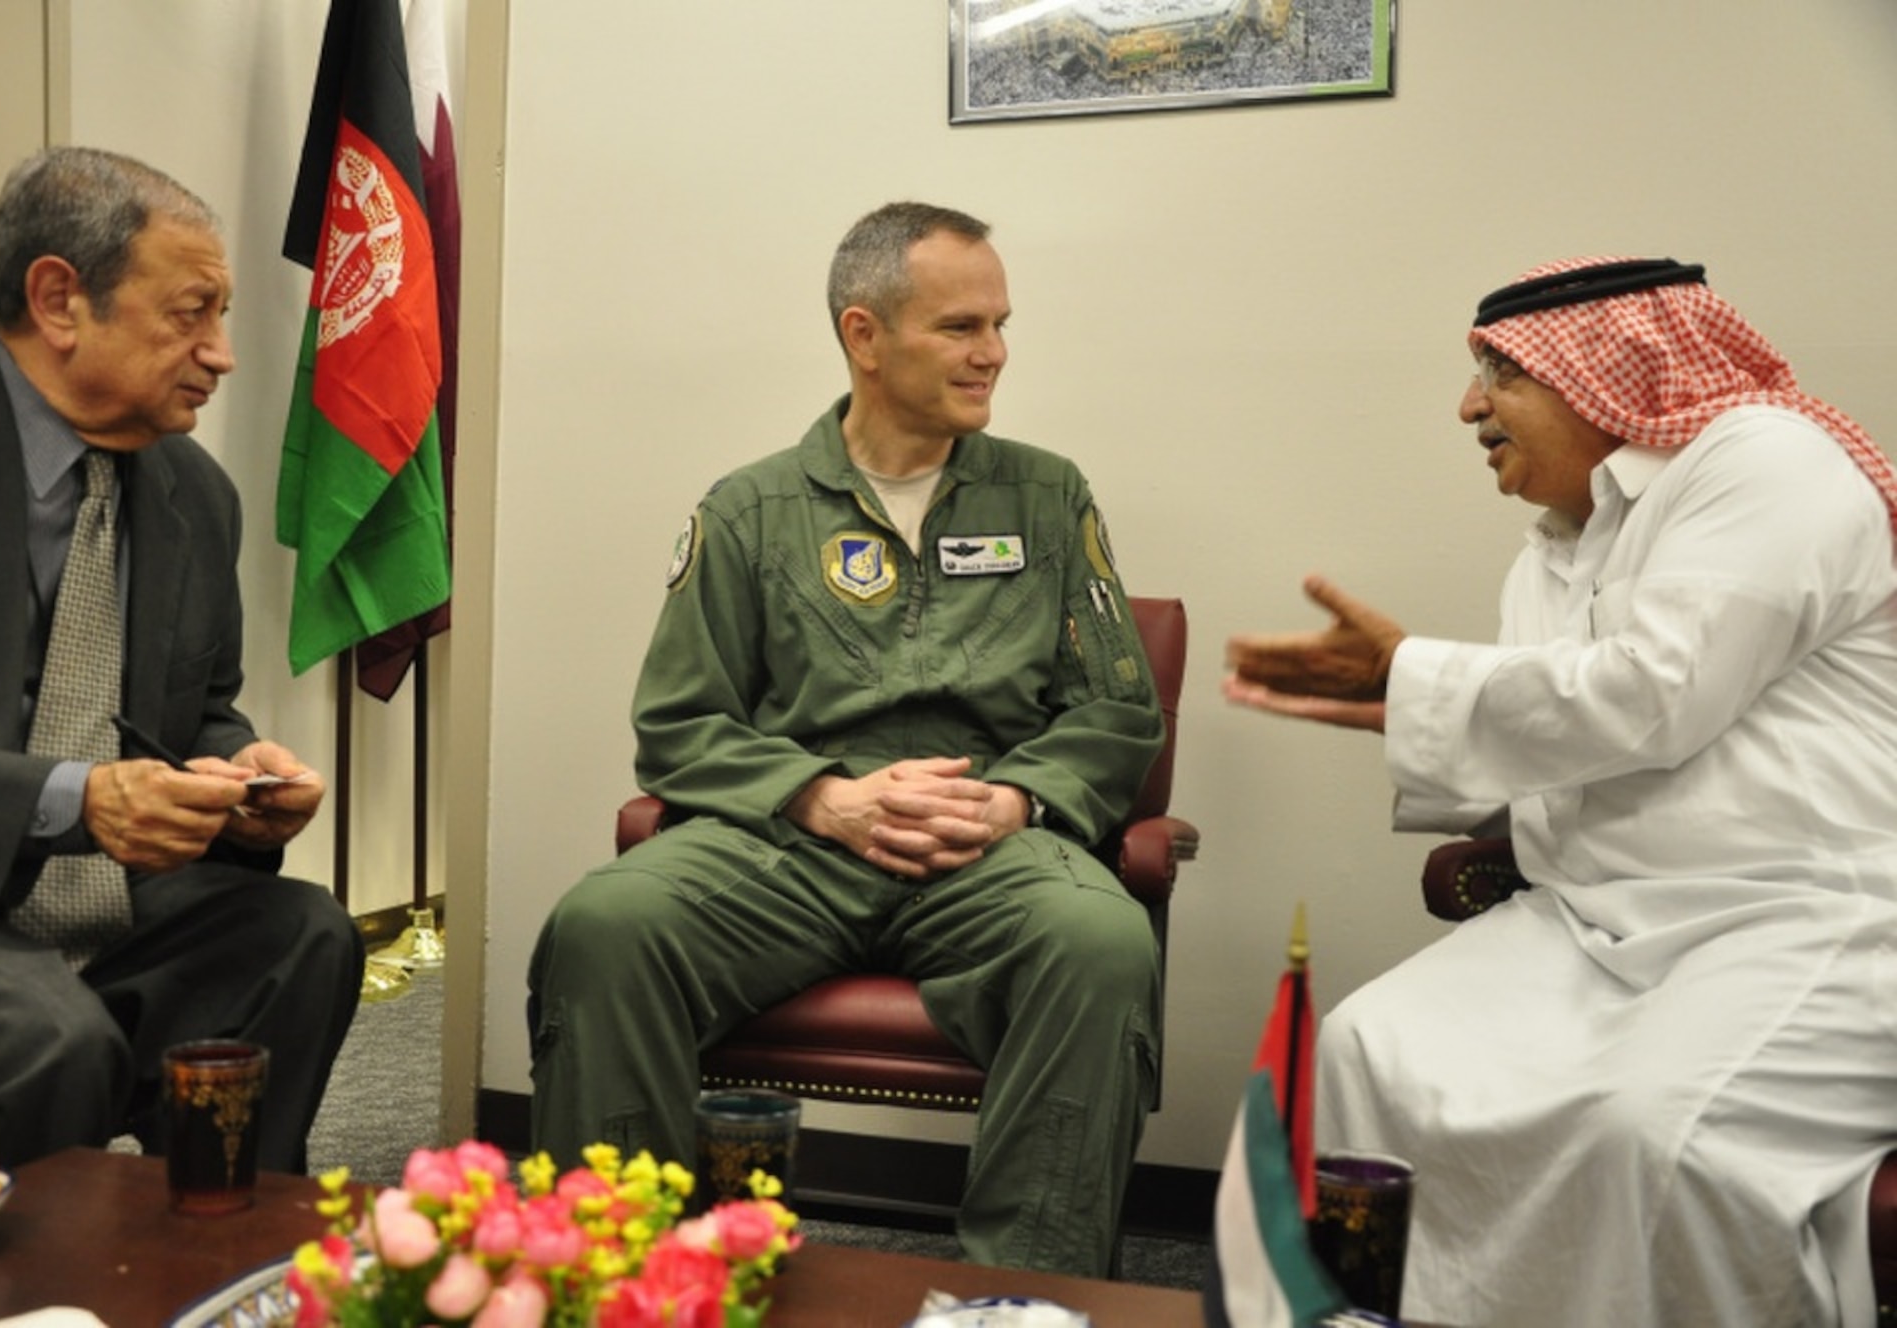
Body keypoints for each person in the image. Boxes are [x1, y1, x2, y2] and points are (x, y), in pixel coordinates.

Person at [1224, 255, 1897, 1326]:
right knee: (1365, 1043)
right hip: (1589, 927)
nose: (1466, 406)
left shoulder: (1767, 465)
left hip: (1805, 920)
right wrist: (1400, 705)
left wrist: (1410, 683)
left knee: (1652, 1127)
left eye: (1498, 370)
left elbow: (1652, 697)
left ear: (1607, 371)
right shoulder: (1554, 545)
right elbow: (1562, 741)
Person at [527, 201, 1166, 1276]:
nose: (993, 352)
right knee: (605, 924)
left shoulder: (1047, 494)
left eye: (1000, 324)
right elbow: (678, 722)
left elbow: (1115, 709)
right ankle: (616, 1275)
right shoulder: (751, 509)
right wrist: (822, 795)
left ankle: (1016, 1291)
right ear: (863, 335)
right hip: (791, 846)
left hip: (986, 844)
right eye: (960, 326)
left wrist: (1013, 799)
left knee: (1100, 945)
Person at [0, 147, 365, 1172]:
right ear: (60, 300)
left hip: (93, 896)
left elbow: (198, 709)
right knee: (39, 1037)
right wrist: (67, 799)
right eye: (191, 312)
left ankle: (203, 1256)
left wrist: (239, 774)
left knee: (303, 937)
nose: (222, 353)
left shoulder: (195, 494)